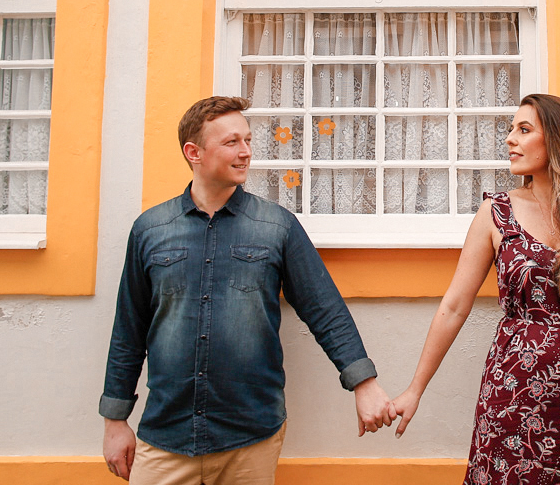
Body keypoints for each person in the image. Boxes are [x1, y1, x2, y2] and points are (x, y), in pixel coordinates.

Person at [100, 96, 395, 484]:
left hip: (251, 437)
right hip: (167, 435)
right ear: (193, 152)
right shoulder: (150, 230)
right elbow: (128, 331)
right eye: (232, 142)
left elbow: (324, 309)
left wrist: (364, 383)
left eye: (248, 140)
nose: (246, 152)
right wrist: (115, 420)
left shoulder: (276, 226)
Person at [391, 93, 560, 485]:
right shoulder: (496, 213)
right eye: (512, 129)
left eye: (524, 130)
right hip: (515, 394)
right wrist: (415, 390)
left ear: (558, 139)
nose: (510, 138)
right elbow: (454, 307)